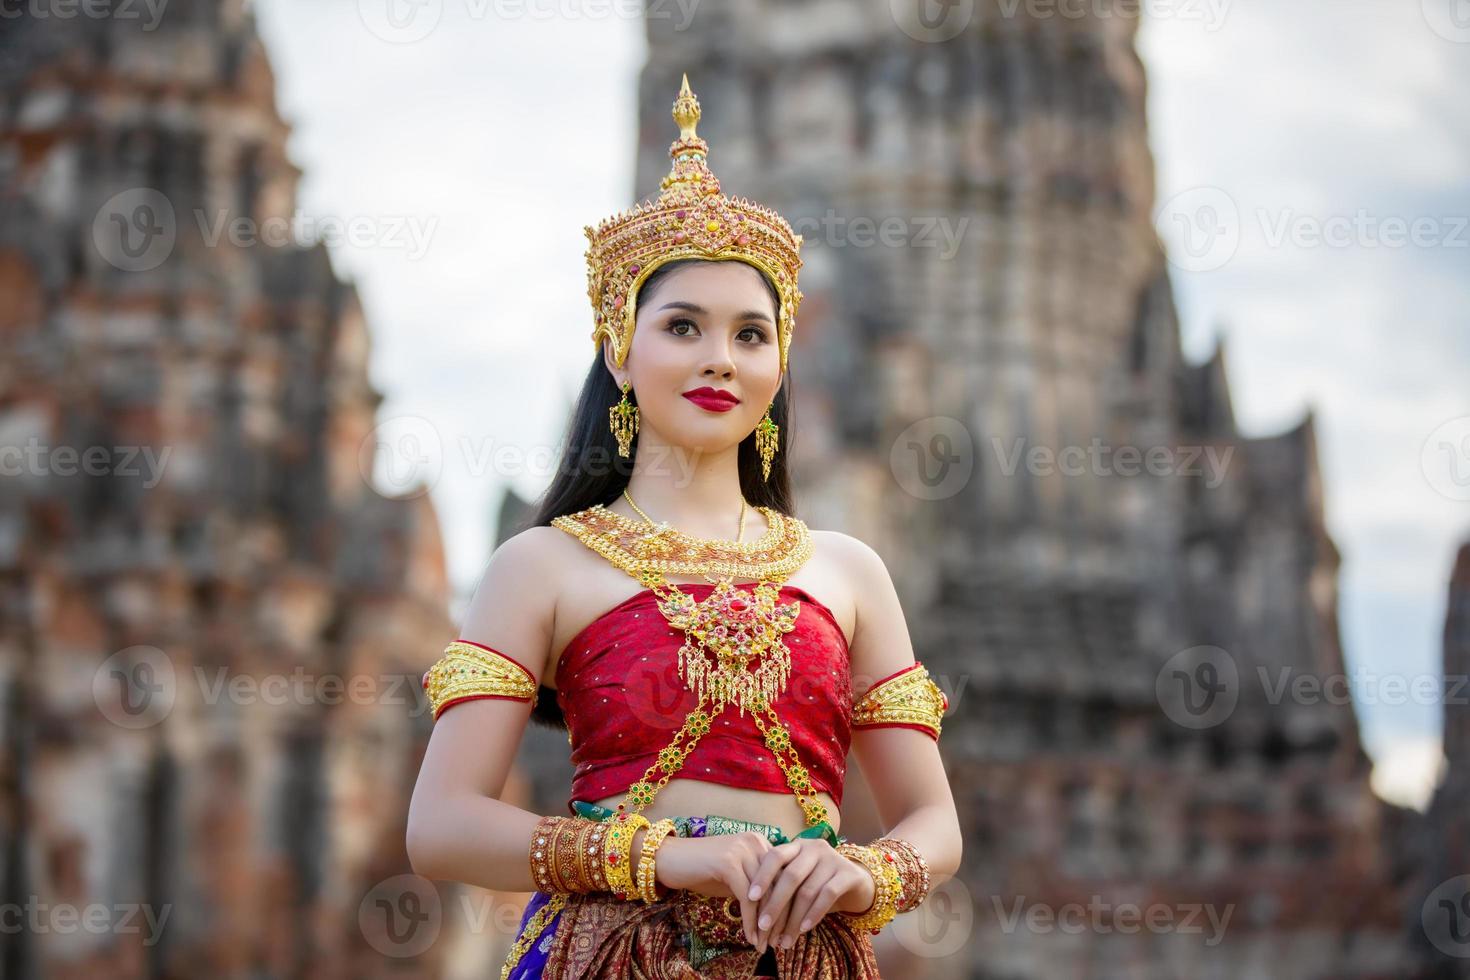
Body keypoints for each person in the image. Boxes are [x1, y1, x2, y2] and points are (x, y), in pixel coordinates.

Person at [406, 74, 961, 979]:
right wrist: (663, 857)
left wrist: (854, 871)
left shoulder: (846, 572)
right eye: (684, 327)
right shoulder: (544, 566)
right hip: (613, 955)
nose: (719, 360)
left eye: (751, 334)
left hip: (807, 955)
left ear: (781, 362)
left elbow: (934, 826)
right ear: (620, 351)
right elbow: (442, 826)